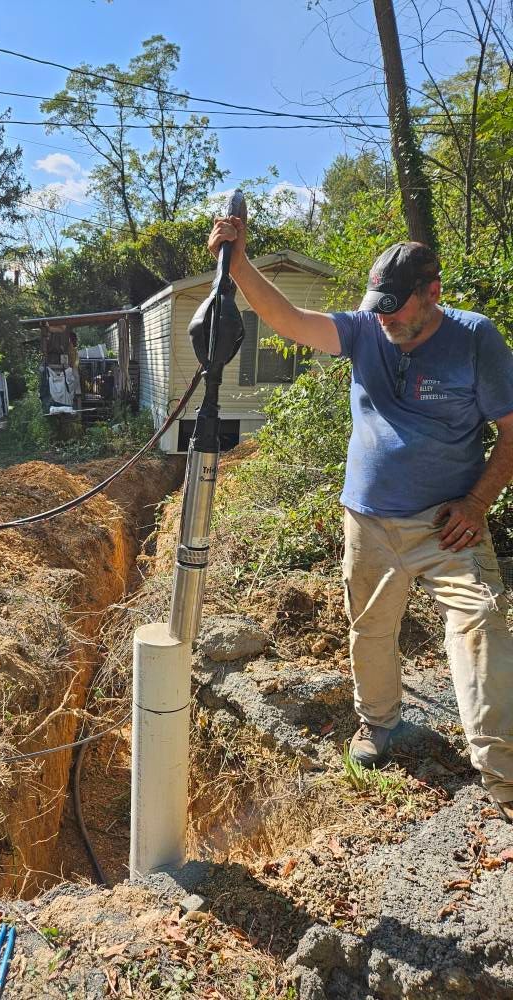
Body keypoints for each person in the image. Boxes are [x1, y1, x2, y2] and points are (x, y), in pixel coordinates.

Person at [208, 217, 513, 822]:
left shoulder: (476, 339)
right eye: (379, 309)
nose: (386, 320)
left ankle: (502, 777)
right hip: (366, 522)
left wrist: (477, 504)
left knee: (481, 625)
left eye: (397, 309)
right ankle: (379, 725)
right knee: (370, 631)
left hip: (444, 527)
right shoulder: (367, 331)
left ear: (434, 292)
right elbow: (291, 322)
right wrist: (239, 264)